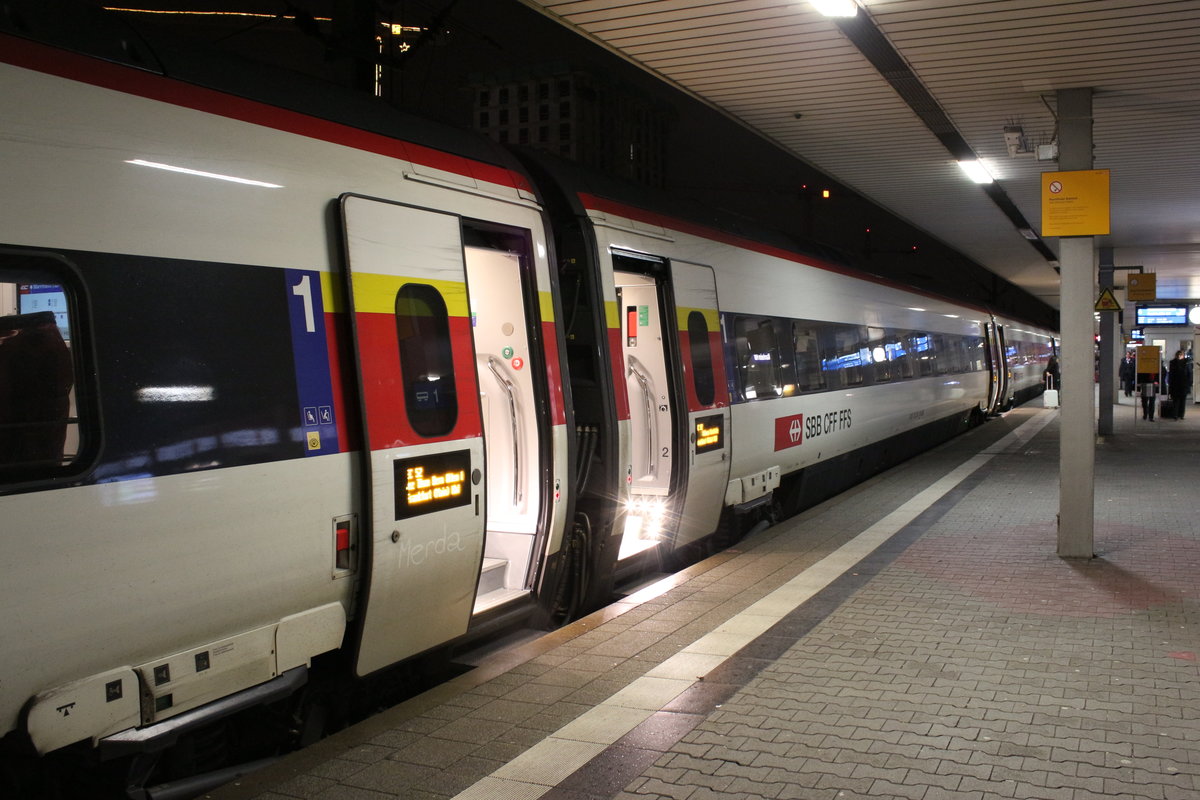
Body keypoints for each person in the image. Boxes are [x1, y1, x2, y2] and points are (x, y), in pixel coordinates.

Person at [1167, 349, 1191, 419]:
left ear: (1183, 355)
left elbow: (1189, 374)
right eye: (1178, 355)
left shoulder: (1187, 362)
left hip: (1183, 384)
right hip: (1176, 384)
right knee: (1176, 401)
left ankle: (1181, 415)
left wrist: (1189, 383)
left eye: (1180, 355)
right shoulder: (1173, 362)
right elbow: (1171, 374)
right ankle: (1175, 414)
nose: (1179, 356)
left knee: (1182, 401)